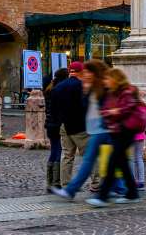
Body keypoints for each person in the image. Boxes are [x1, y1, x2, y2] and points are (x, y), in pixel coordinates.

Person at [52, 60, 109, 199]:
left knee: (67, 156)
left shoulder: (58, 86)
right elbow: (85, 107)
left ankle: (66, 185)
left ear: (70, 71)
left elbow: (54, 108)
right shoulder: (81, 86)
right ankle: (96, 184)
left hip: (64, 126)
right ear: (81, 72)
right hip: (80, 127)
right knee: (90, 156)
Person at [88, 67, 144, 206]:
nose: (105, 81)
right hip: (116, 131)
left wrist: (114, 112)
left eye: (108, 78)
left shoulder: (127, 91)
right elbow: (105, 110)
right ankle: (132, 193)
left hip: (126, 130)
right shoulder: (112, 93)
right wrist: (111, 112)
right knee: (122, 163)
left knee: (112, 163)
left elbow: (126, 108)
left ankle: (102, 196)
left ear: (115, 79)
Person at [43, 68, 69, 191]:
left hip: (49, 125)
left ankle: (50, 182)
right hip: (56, 125)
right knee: (57, 151)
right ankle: (56, 182)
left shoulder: (49, 89)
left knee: (54, 151)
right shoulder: (60, 91)